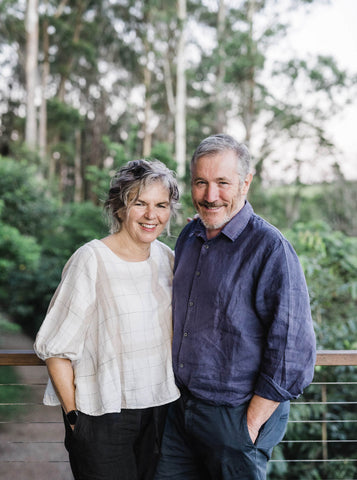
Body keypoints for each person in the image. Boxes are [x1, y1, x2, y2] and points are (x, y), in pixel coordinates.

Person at [154, 134, 316, 480]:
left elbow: (294, 350)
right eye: (201, 183)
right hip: (179, 411)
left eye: (222, 183)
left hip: (235, 416)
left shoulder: (271, 249)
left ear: (246, 183)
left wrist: (250, 423)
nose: (210, 196)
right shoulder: (190, 236)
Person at [34, 159, 181, 480]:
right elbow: (56, 349)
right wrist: (75, 419)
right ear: (118, 207)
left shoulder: (166, 258)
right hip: (101, 415)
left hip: (160, 411)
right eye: (139, 203)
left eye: (161, 205)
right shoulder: (91, 260)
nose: (151, 215)